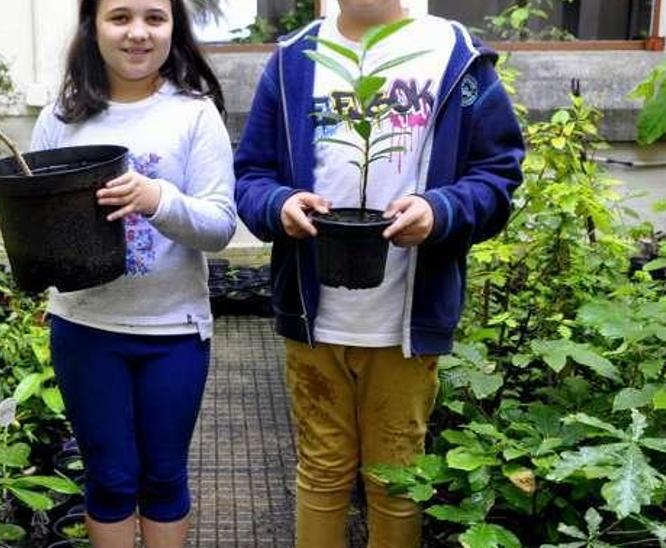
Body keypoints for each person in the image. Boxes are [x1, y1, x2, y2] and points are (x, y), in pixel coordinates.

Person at [233, 1, 525, 546]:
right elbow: (250, 175)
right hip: (314, 317)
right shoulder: (294, 60)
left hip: (405, 321)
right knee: (320, 471)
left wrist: (442, 210)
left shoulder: (455, 57)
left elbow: (498, 173)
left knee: (397, 480)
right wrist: (279, 204)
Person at [0, 1, 235, 546]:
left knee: (164, 476)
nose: (138, 33)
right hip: (85, 329)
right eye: (120, 17)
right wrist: (8, 209)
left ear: (175, 28)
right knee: (110, 477)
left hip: (173, 330)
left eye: (155, 17)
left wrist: (157, 198)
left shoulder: (194, 115)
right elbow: (34, 208)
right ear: (92, 27)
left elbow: (219, 227)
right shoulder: (61, 116)